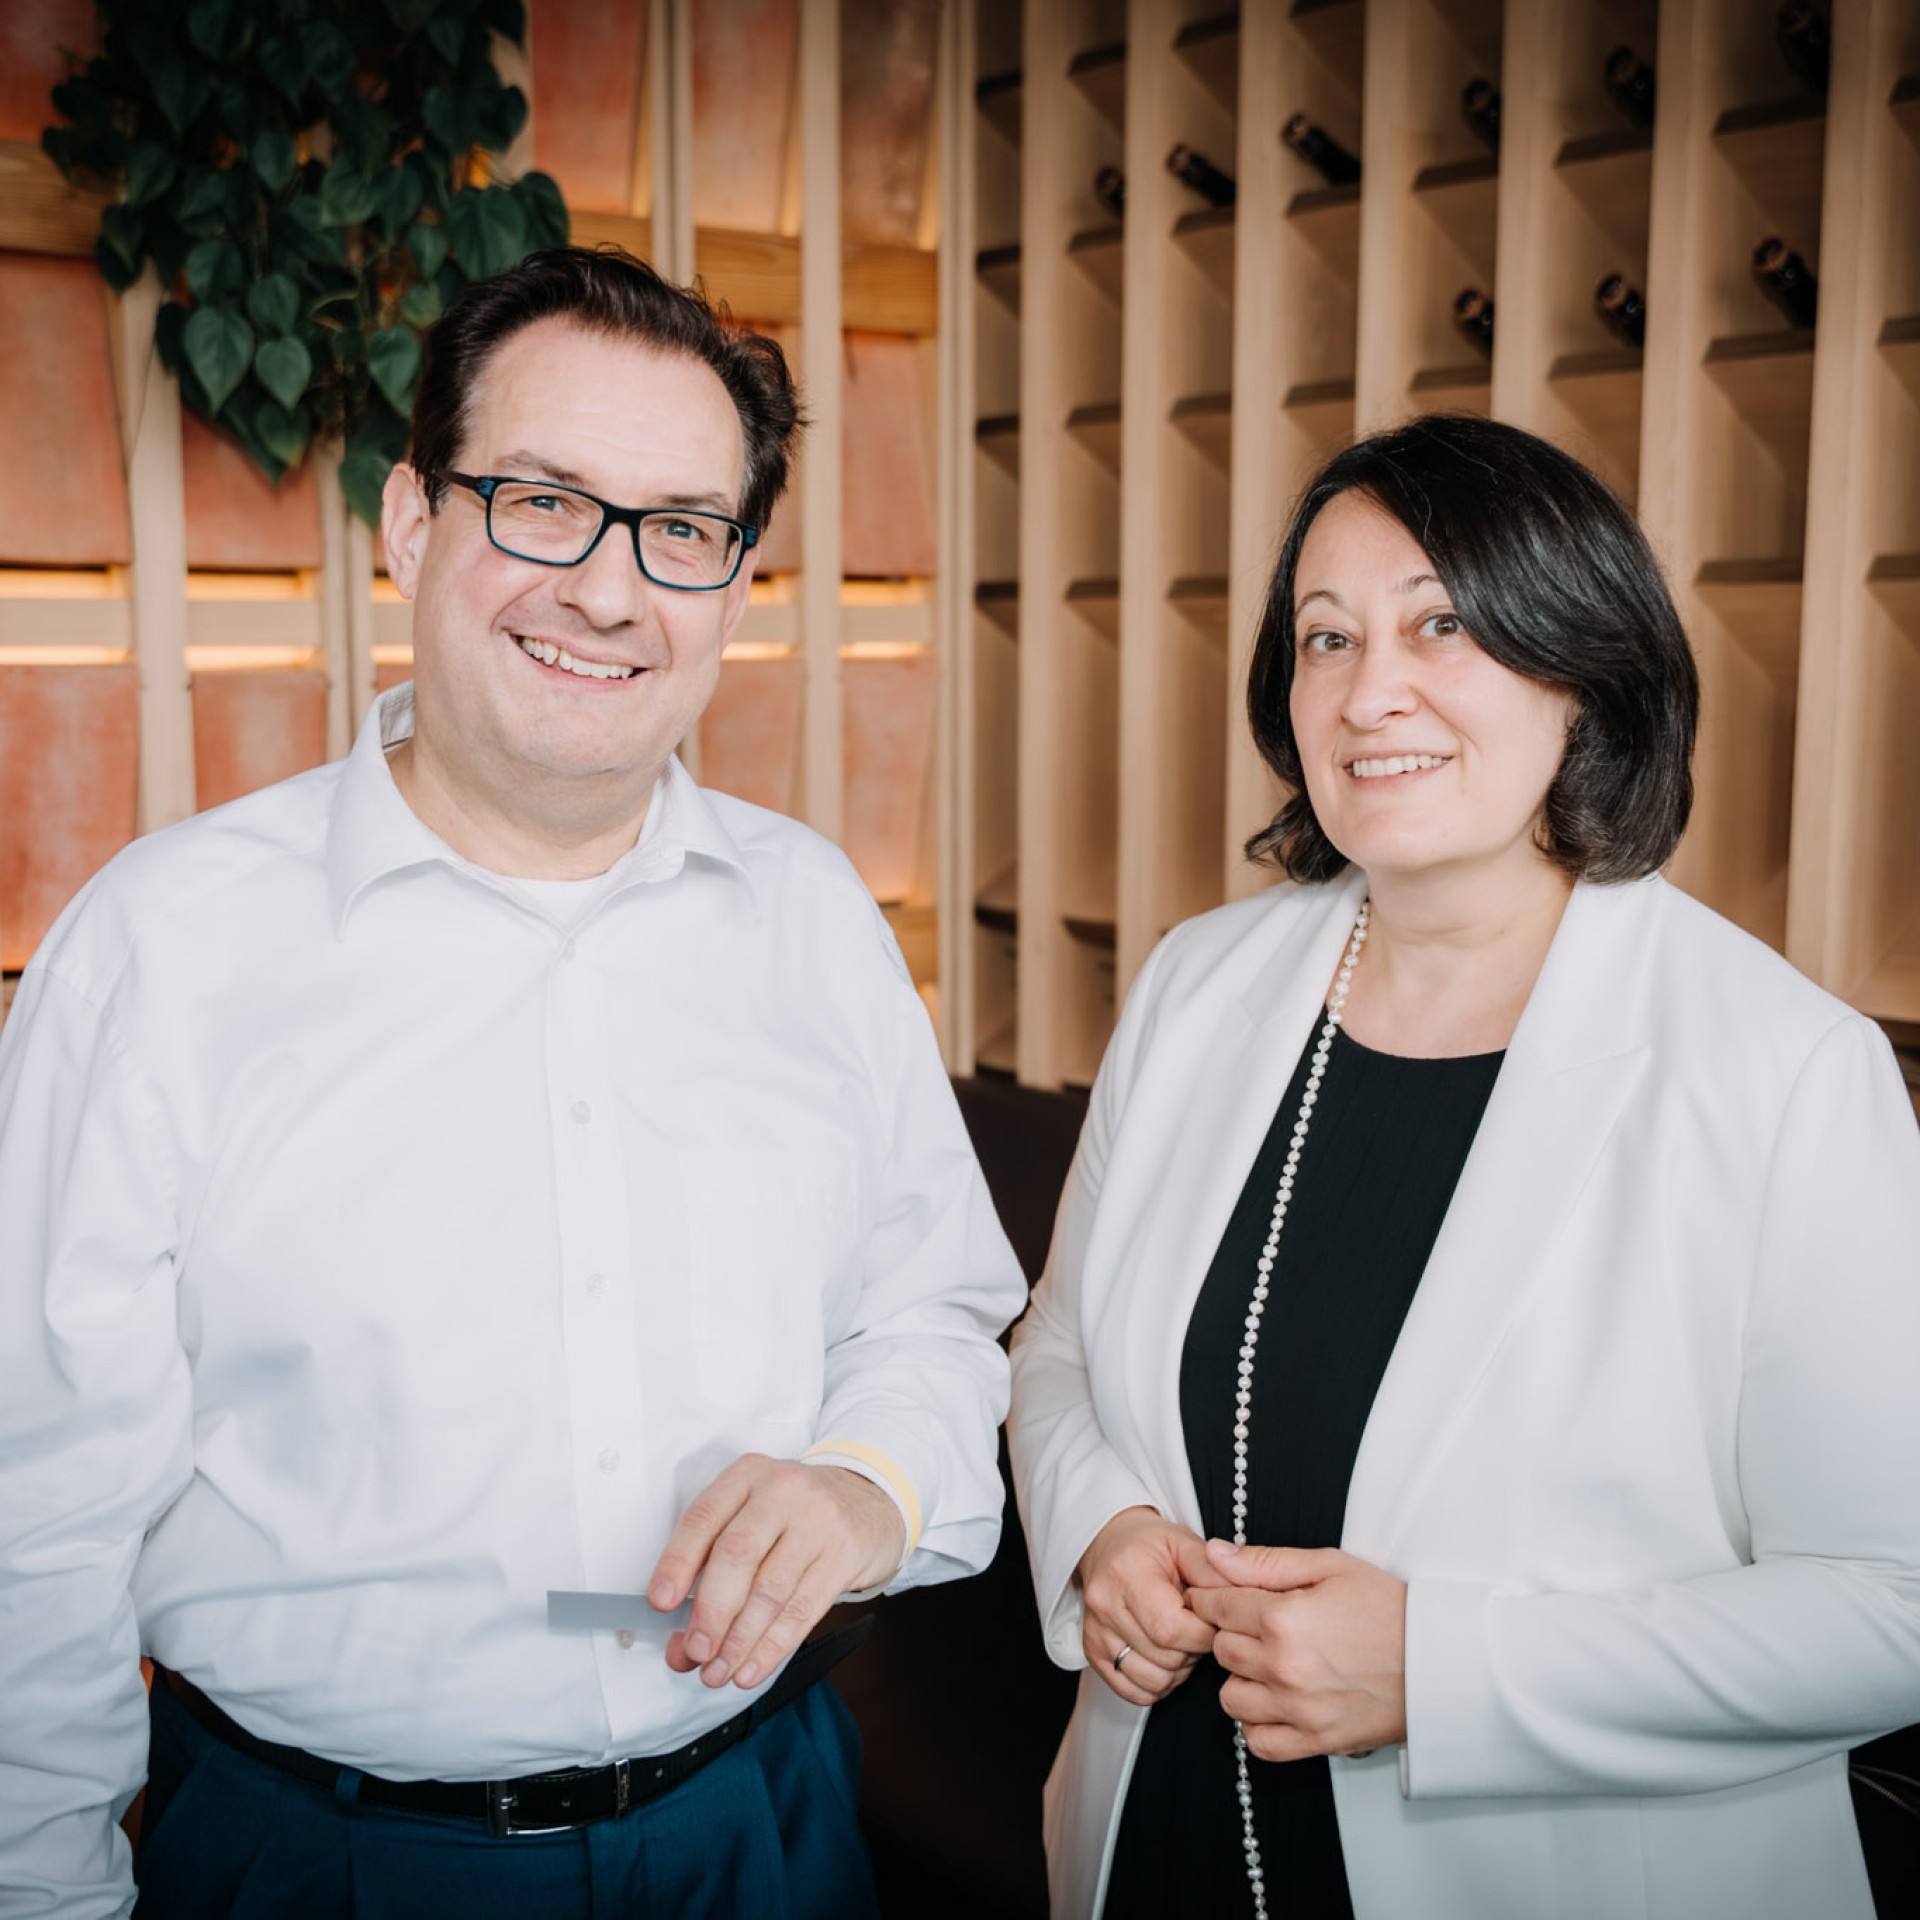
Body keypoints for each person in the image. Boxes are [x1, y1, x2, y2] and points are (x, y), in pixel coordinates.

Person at [0, 247, 1026, 1919]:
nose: (610, 593)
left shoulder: (813, 915)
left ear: (734, 592)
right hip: (324, 1862)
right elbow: (31, 1516)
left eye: (682, 529)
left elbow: (932, 1314)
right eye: (544, 504)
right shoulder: (162, 950)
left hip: (764, 1830)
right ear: (412, 523)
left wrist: (869, 1486)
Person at [1006, 414, 1920, 1920]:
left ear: (1582, 666)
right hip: (1161, 1829)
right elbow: (1059, 1345)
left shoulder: (1784, 1074)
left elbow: (1891, 1607)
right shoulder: (1196, 984)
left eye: (1442, 624)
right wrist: (1100, 1525)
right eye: (1327, 636)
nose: (1371, 692)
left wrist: (1442, 1672)